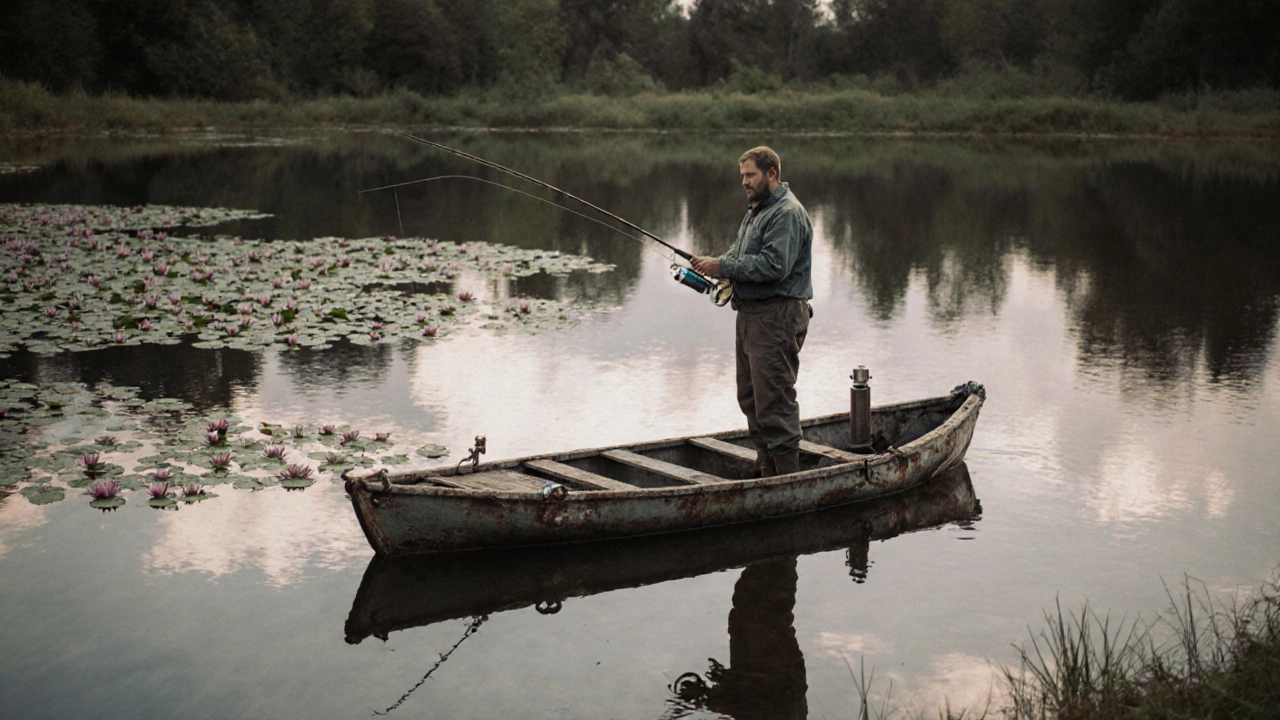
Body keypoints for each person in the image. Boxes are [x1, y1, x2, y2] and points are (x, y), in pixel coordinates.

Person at [692, 147, 813, 477]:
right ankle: (766, 472)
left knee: (774, 402)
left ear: (771, 173)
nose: (744, 182)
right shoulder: (757, 211)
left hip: (777, 317)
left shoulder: (786, 213)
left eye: (750, 175)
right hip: (750, 316)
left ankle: (788, 482)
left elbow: (775, 266)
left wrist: (724, 264)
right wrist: (716, 265)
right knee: (750, 398)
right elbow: (741, 253)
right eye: (742, 176)